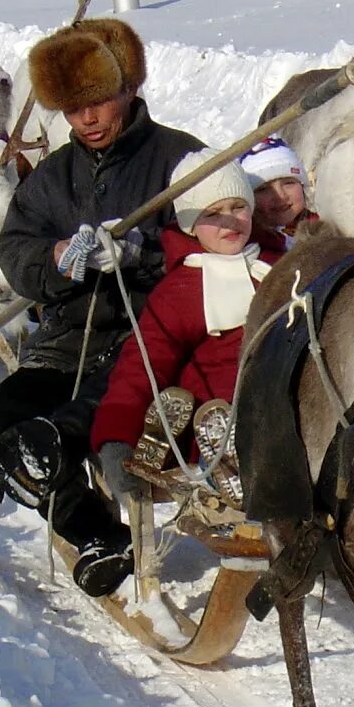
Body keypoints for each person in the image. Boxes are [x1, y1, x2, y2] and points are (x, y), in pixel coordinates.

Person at [0, 17, 202, 597]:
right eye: (73, 109)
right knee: (3, 419)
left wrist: (141, 252)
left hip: (154, 341)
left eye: (99, 102)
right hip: (67, 341)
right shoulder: (53, 178)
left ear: (128, 88)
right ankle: (97, 533)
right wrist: (56, 257)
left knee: (64, 426)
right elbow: (15, 252)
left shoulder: (181, 161)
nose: (87, 120)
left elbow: (219, 243)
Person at [89, 151, 287, 509]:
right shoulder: (182, 290)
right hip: (217, 407)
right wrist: (116, 436)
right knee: (229, 420)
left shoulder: (282, 265)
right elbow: (143, 364)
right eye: (212, 213)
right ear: (190, 224)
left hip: (284, 391)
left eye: (238, 207)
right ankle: (212, 453)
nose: (230, 221)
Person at [243, 135, 313, 246]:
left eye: (288, 183)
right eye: (264, 189)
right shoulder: (255, 247)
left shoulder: (327, 222)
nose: (280, 196)